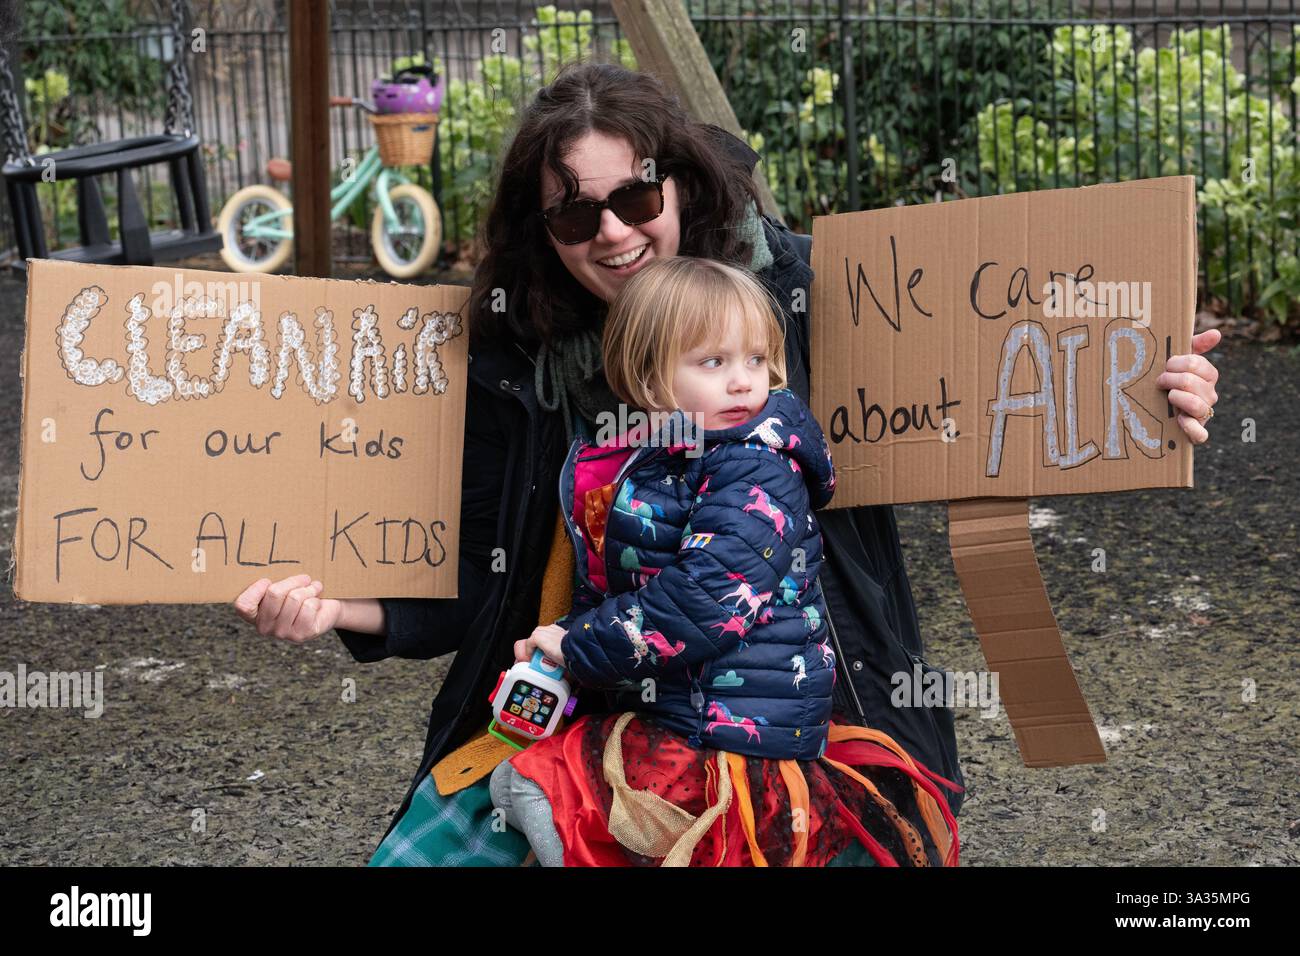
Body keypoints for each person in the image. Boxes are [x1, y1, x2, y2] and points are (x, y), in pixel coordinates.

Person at [232, 61, 1224, 866]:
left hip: (799, 724)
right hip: (585, 718)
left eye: (634, 194)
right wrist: (338, 608)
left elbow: (992, 397)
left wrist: (1146, 387)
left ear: (681, 182)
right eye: (575, 214)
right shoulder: (519, 360)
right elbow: (472, 580)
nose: (613, 231)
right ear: (544, 233)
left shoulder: (802, 295)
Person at [487, 254, 961, 866]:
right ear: (648, 376)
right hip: (686, 708)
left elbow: (704, 599)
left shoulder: (755, 467)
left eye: (756, 360)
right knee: (547, 790)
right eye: (715, 362)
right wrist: (566, 655)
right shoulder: (657, 459)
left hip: (737, 732)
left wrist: (578, 644)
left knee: (544, 789)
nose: (743, 381)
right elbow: (622, 582)